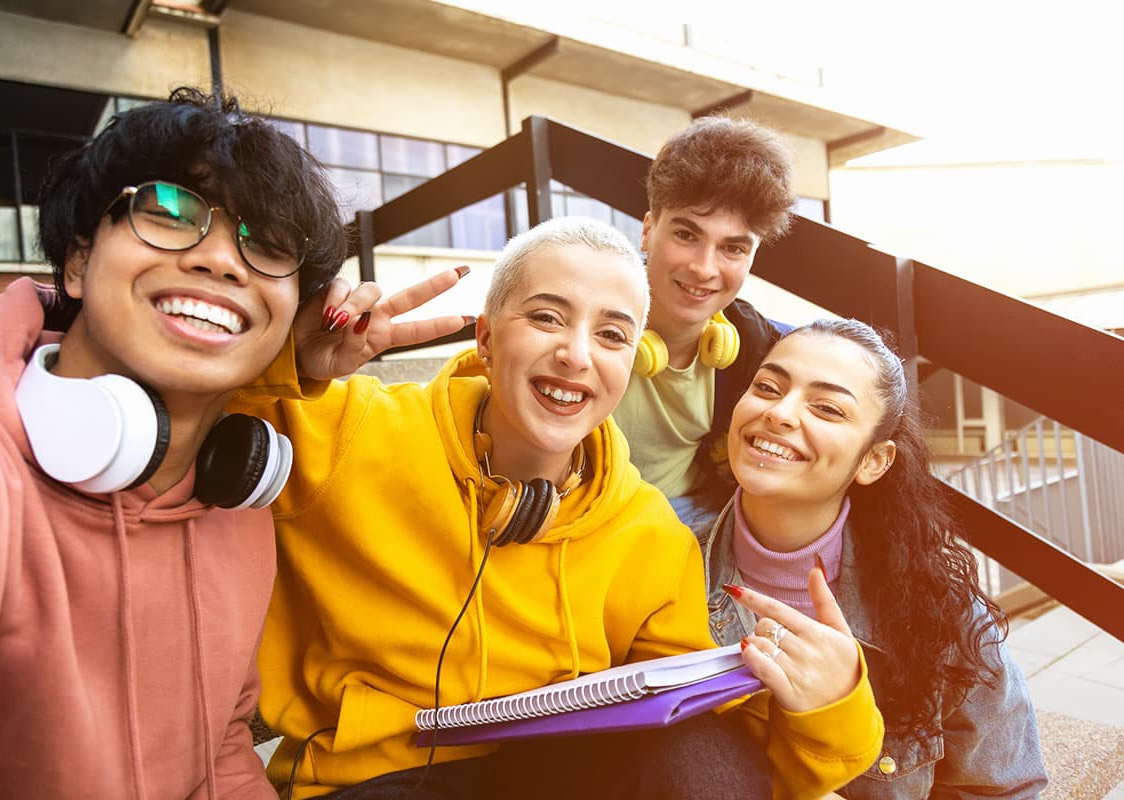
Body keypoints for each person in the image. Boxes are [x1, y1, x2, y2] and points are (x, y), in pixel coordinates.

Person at [232, 216, 885, 800]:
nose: (576, 355)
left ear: (631, 363)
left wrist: (831, 704)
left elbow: (719, 765)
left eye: (611, 335)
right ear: (485, 339)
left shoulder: (651, 535)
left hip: (551, 777)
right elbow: (177, 418)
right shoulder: (350, 429)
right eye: (546, 318)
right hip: (373, 781)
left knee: (703, 754)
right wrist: (288, 362)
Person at [0, 87, 354, 798]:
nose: (222, 261)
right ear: (76, 263)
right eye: (169, 214)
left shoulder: (237, 509)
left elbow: (220, 751)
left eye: (268, 245)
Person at [699, 318, 1048, 798]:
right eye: (767, 386)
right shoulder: (666, 566)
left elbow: (1004, 789)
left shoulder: (944, 615)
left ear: (874, 461)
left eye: (827, 407)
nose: (780, 412)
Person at [611, 114, 795, 531]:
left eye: (732, 248)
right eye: (686, 235)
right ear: (647, 231)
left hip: (695, 518)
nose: (704, 268)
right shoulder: (582, 319)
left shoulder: (755, 345)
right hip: (586, 512)